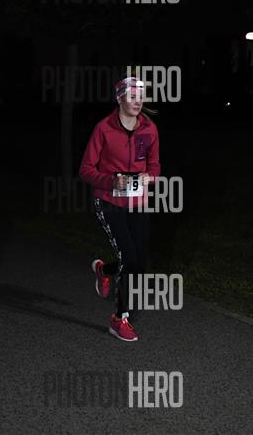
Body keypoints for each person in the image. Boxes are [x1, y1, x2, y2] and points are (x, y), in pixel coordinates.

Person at [79, 76, 161, 341]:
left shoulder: (149, 129)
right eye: (132, 97)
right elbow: (85, 170)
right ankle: (119, 319)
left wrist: (150, 177)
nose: (138, 102)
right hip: (109, 202)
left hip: (138, 203)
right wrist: (111, 181)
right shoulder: (104, 129)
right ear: (119, 99)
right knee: (129, 258)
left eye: (141, 97)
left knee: (138, 262)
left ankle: (103, 270)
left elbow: (155, 165)